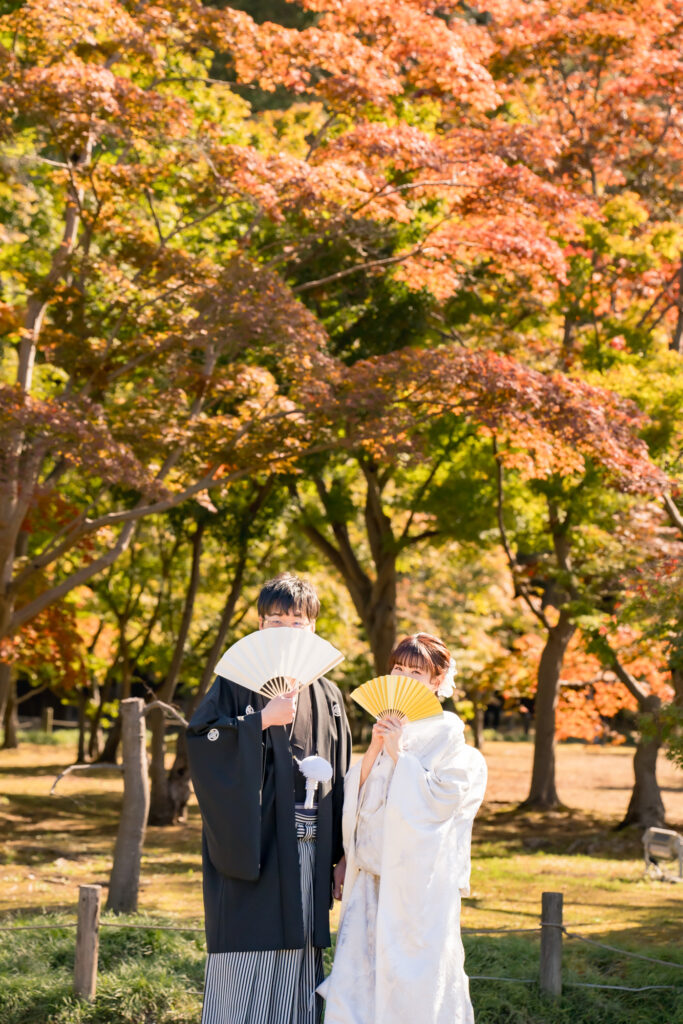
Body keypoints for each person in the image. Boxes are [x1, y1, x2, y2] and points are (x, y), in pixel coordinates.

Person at [187, 573, 351, 1024]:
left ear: (312, 628)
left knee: (300, 949)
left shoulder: (329, 694)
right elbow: (201, 739)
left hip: (311, 847)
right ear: (260, 625)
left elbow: (343, 775)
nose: (286, 629)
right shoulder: (235, 681)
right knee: (248, 946)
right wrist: (259, 721)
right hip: (255, 843)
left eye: (296, 621)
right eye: (276, 620)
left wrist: (342, 856)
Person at [321, 632, 487, 1024]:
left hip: (416, 884)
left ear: (436, 680)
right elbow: (361, 800)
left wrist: (399, 755)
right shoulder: (387, 724)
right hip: (371, 874)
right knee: (359, 977)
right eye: (398, 668)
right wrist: (375, 752)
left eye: (416, 671)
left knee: (412, 980)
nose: (404, 677)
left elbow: (439, 803)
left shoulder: (448, 734)